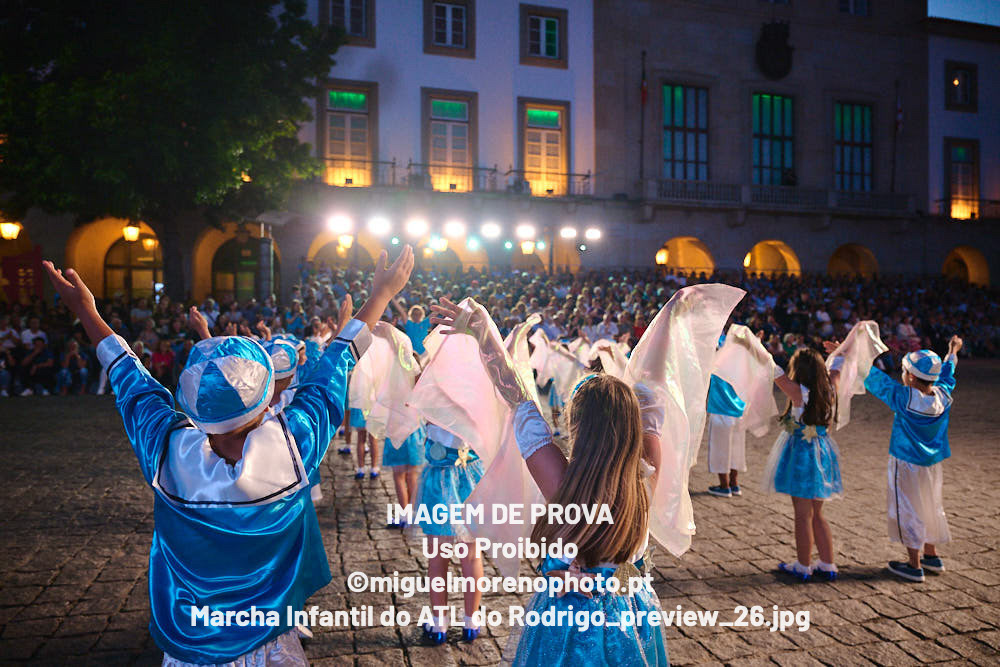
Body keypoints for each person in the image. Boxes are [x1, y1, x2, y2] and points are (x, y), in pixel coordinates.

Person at [39, 246, 413, 665]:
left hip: (191, 647)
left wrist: (86, 311)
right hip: (267, 645)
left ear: (193, 407)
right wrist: (380, 295)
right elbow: (332, 370)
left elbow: (132, 380)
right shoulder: (293, 445)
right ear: (267, 398)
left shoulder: (168, 452)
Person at [429, 297, 668, 664]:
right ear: (633, 425)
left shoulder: (563, 483)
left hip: (569, 618)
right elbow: (652, 391)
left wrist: (484, 332)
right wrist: (667, 321)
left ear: (577, 427)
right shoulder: (647, 471)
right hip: (631, 614)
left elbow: (517, 398)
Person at [862, 337, 961, 582]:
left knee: (908, 508)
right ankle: (931, 555)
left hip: (906, 462)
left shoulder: (903, 398)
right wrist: (952, 351)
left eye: (905, 371)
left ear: (912, 377)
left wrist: (849, 355)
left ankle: (914, 565)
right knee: (930, 504)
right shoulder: (943, 394)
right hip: (933, 463)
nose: (902, 375)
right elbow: (948, 373)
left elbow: (875, 379)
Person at [760, 348, 842, 582]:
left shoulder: (798, 392)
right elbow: (837, 367)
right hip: (823, 454)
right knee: (817, 513)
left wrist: (752, 345)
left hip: (803, 457)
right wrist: (839, 350)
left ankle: (803, 565)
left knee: (802, 515)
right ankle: (827, 563)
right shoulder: (830, 389)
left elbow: (773, 369)